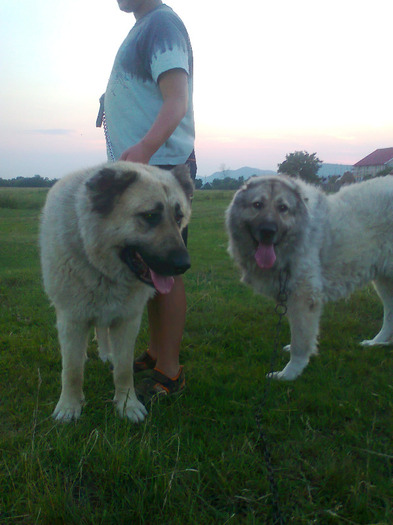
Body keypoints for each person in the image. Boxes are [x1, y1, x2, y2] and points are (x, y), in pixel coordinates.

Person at [97, 0, 196, 403]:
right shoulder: (144, 27)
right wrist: (111, 101)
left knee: (167, 266)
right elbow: (147, 90)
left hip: (162, 170)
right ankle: (157, 351)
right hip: (147, 169)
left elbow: (177, 98)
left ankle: (170, 371)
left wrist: (144, 146)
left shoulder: (162, 23)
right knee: (151, 271)